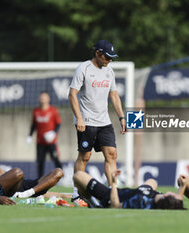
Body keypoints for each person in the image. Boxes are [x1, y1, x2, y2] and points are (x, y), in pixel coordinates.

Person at [68, 40, 126, 204]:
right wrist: (79, 117)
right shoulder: (83, 68)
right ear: (97, 54)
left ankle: (112, 193)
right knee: (85, 156)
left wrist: (121, 117)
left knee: (112, 155)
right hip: (86, 121)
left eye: (112, 58)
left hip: (104, 121)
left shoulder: (110, 72)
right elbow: (72, 94)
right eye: (107, 57)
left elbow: (114, 95)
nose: (110, 60)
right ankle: (76, 193)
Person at [73, 170, 185, 209]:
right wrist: (182, 186)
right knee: (152, 181)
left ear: (167, 196)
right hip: (132, 191)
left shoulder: (141, 201)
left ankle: (92, 202)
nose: (178, 195)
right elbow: (178, 200)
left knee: (78, 176)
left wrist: (114, 183)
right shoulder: (158, 198)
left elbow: (115, 205)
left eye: (175, 195)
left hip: (111, 196)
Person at [0, 159, 65, 198]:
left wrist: (67, 195)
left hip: (28, 190)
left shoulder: (39, 187)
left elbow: (52, 194)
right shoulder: (39, 183)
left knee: (59, 171)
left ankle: (23, 193)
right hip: (13, 183)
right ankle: (5, 189)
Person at [26, 91, 62, 178]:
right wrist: (29, 136)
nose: (42, 99)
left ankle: (62, 176)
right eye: (41, 97)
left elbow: (58, 123)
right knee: (40, 161)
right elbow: (34, 125)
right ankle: (40, 180)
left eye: (44, 97)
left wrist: (53, 132)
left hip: (51, 142)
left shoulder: (53, 111)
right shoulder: (36, 111)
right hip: (40, 142)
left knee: (55, 159)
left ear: (48, 99)